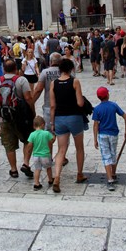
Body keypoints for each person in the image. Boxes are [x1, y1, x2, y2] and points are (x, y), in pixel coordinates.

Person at [0, 58, 35, 179]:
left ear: (3, 69)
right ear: (16, 69)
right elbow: (28, 98)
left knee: (9, 144)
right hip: (21, 117)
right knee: (28, 139)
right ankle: (26, 163)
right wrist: (32, 112)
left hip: (4, 117)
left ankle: (13, 169)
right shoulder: (21, 80)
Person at [49, 58, 87, 193]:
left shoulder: (54, 83)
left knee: (61, 150)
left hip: (59, 118)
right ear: (71, 69)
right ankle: (79, 174)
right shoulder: (75, 81)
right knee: (79, 147)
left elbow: (52, 106)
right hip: (74, 117)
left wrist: (52, 123)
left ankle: (57, 177)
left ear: (59, 69)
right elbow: (80, 103)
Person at [93, 86, 126, 191]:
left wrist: (95, 139)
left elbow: (95, 125)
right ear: (107, 95)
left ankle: (110, 179)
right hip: (113, 134)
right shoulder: (113, 105)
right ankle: (113, 173)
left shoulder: (97, 109)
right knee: (113, 154)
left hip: (102, 135)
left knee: (106, 156)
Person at [26, 115, 54, 190]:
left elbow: (29, 145)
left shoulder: (32, 134)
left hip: (36, 156)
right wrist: (53, 137)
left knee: (37, 169)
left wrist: (28, 151)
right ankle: (50, 180)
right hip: (45, 155)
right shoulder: (46, 133)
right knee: (48, 168)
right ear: (42, 125)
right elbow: (52, 140)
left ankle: (36, 183)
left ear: (34, 126)